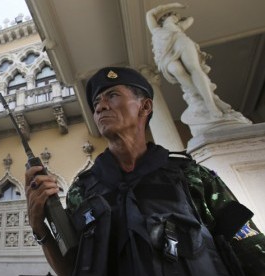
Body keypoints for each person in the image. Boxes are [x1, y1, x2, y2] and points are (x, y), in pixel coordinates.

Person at [25, 67, 265, 276]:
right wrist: (40, 227)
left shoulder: (192, 175)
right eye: (96, 102)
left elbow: (251, 248)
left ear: (145, 106)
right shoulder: (82, 190)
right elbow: (72, 269)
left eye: (112, 95)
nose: (100, 107)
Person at [146, 3, 225, 118]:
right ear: (164, 19)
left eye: (177, 17)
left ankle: (210, 104)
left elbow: (190, 19)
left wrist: (177, 20)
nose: (176, 18)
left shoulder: (179, 27)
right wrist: (174, 6)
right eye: (173, 16)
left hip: (180, 41)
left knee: (195, 69)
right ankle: (212, 99)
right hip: (165, 56)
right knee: (175, 69)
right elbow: (150, 14)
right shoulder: (155, 28)